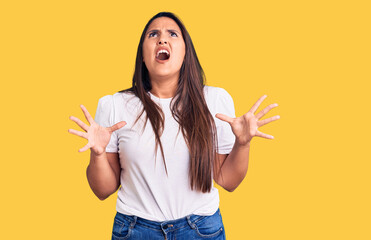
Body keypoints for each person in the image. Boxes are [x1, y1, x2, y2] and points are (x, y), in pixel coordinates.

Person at [68, 11, 279, 240]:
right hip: (135, 230)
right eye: (153, 34)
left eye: (172, 34)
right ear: (142, 55)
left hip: (201, 230)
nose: (162, 39)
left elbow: (228, 180)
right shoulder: (114, 105)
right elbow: (102, 190)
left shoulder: (215, 101)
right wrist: (97, 154)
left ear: (185, 52)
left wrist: (243, 144)